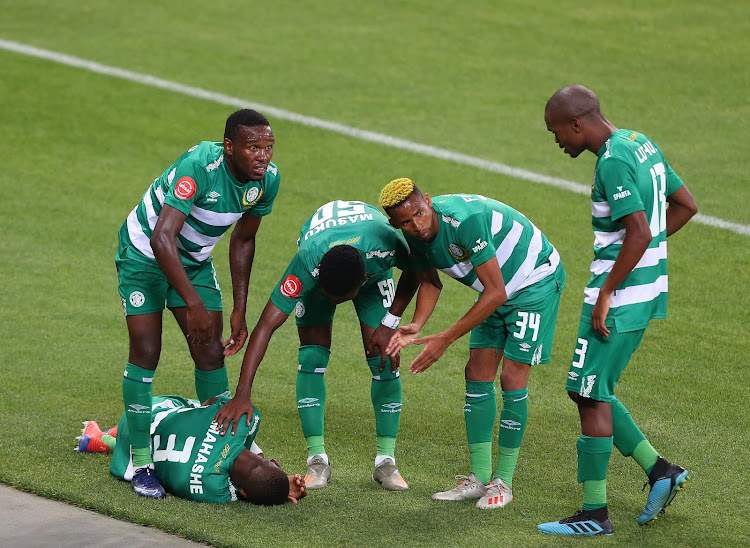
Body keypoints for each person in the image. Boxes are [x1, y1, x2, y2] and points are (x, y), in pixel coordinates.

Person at [537, 84, 698, 535]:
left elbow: (640, 231)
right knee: (588, 388)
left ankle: (595, 515)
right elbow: (685, 206)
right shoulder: (639, 142)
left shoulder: (612, 161)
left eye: (556, 133)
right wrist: (644, 262)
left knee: (589, 393)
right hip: (645, 292)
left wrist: (608, 290)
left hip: (620, 299)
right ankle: (660, 470)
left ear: (576, 124)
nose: (557, 142)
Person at [214, 200, 439, 491]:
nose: (336, 304)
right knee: (311, 357)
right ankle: (317, 460)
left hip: (368, 264)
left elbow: (417, 272)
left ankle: (386, 462)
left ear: (364, 279)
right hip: (323, 264)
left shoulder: (387, 246)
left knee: (384, 356)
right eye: (331, 296)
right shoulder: (307, 265)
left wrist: (390, 323)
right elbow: (265, 327)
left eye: (340, 298)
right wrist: (242, 394)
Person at [115, 109, 280, 498]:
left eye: (268, 147)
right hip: (144, 254)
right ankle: (140, 462)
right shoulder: (200, 167)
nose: (262, 156)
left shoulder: (266, 182)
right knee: (146, 348)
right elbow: (161, 237)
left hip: (193, 258)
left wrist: (239, 307)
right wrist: (194, 304)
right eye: (253, 147)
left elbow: (243, 241)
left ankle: (228, 440)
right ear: (229, 148)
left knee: (209, 353)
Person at [380, 178, 566, 510]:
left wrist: (445, 339)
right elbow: (430, 283)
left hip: (533, 280)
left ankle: (503, 482)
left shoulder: (465, 220)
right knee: (476, 372)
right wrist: (417, 325)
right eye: (406, 222)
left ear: (429, 199)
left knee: (511, 377)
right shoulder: (414, 237)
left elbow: (496, 292)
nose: (417, 225)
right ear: (396, 224)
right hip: (495, 291)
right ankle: (479, 478)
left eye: (420, 214)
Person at [74, 395, 306, 505]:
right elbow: (243, 489)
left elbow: (210, 401)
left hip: (143, 414)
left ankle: (106, 437)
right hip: (133, 455)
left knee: (202, 409)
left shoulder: (248, 419)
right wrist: (276, 492)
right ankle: (103, 440)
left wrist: (276, 483)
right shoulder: (216, 492)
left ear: (273, 463)